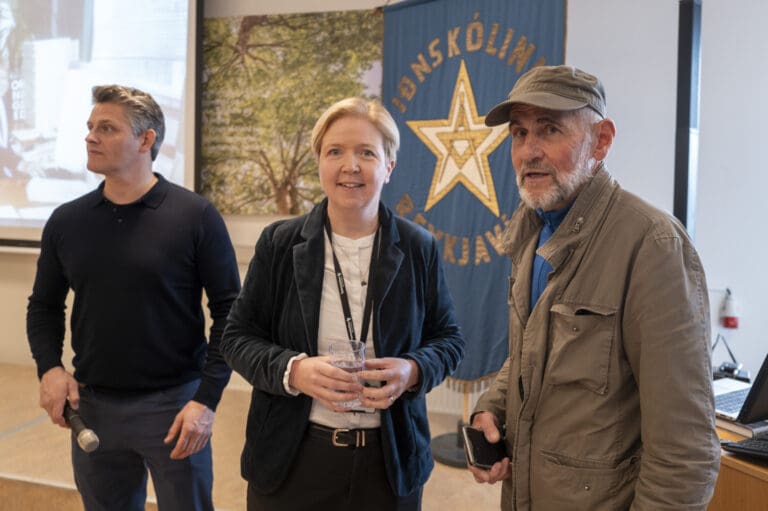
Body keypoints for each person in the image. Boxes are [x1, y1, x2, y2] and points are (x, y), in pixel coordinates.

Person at [467, 65, 721, 510]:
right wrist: (493, 406)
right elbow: (532, 352)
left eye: (550, 130)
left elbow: (685, 452)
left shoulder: (652, 245)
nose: (529, 151)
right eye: (519, 133)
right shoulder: (531, 229)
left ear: (601, 141)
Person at [220, 97, 465, 511]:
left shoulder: (418, 246)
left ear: (389, 166)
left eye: (366, 153)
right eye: (335, 151)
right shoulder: (279, 243)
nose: (350, 165)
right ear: (319, 162)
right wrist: (293, 370)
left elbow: (449, 339)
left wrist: (413, 370)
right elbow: (236, 338)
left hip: (389, 462)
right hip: (292, 458)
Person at [26, 84, 241, 511]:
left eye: (107, 128)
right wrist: (50, 368)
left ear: (146, 140)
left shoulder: (195, 216)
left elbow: (231, 314)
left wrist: (207, 400)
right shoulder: (67, 221)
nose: (90, 137)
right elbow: (44, 306)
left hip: (177, 406)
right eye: (90, 127)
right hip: (93, 405)